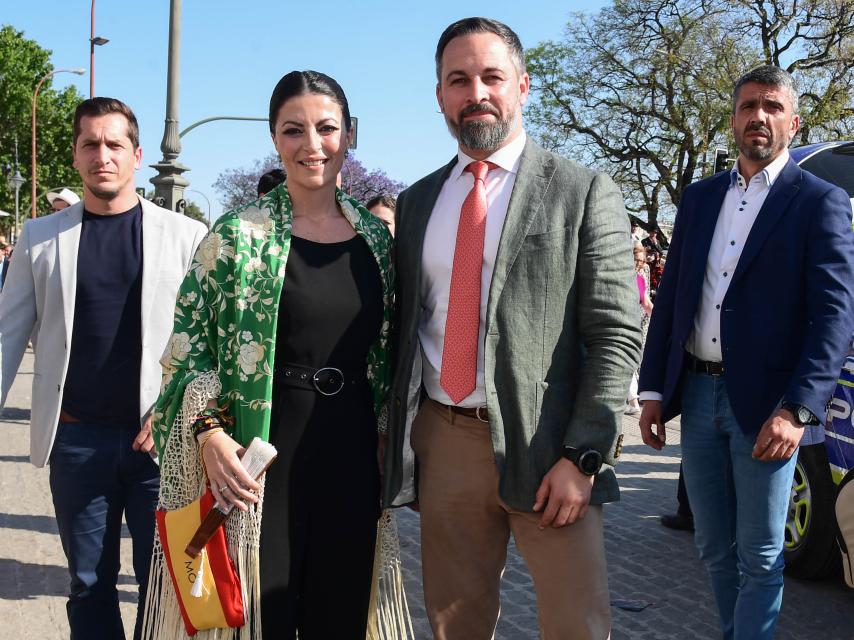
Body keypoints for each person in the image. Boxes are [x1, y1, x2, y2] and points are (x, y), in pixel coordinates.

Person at [383, 17, 640, 640]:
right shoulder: (418, 202)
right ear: (440, 94)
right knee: (454, 623)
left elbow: (614, 334)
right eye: (459, 79)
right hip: (445, 442)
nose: (477, 92)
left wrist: (584, 454)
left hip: (551, 448)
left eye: (491, 76)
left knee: (576, 623)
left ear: (522, 86)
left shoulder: (583, 191)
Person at [148, 70, 394, 640]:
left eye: (327, 128)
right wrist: (209, 436)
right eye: (293, 130)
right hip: (261, 458)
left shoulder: (378, 241)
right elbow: (184, 357)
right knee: (265, 617)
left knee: (341, 610)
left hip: (353, 455)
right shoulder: (235, 235)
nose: (312, 145)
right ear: (274, 138)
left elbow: (389, 355)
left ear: (349, 134)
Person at [638, 65, 854, 639]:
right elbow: (674, 298)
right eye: (749, 106)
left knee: (760, 554)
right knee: (711, 546)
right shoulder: (700, 198)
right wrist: (655, 389)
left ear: (793, 120)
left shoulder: (820, 202)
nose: (759, 116)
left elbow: (834, 315)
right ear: (733, 119)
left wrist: (799, 408)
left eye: (773, 106)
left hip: (767, 408)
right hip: (698, 394)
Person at [0, 97, 207, 640]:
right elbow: (7, 337)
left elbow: (204, 346)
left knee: (163, 585)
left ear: (136, 155)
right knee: (88, 584)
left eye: (114, 144)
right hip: (77, 443)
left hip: (160, 442)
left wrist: (181, 415)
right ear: (75, 155)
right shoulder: (39, 238)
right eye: (90, 144)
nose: (102, 155)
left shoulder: (184, 238)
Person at [626, 243, 653, 415]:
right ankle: (632, 400)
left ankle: (634, 401)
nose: (639, 264)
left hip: (633, 324)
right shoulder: (621, 275)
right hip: (620, 323)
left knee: (630, 363)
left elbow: (647, 303)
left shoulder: (640, 279)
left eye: (642, 262)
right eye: (637, 260)